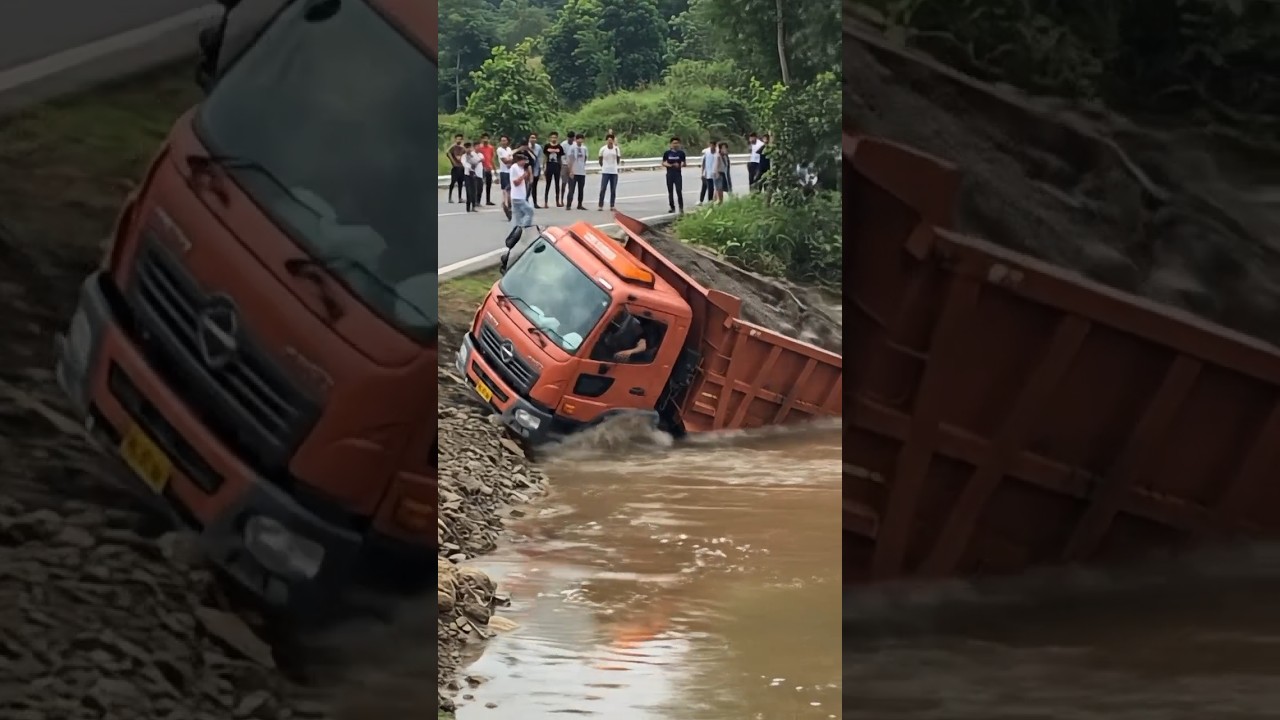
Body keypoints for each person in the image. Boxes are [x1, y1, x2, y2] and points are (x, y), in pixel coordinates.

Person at [661, 136, 687, 214]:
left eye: (677, 143)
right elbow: (663, 162)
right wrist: (671, 165)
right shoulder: (667, 153)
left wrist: (679, 165)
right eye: (674, 143)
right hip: (669, 174)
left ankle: (681, 207)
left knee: (679, 190)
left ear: (679, 144)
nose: (675, 145)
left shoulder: (681, 153)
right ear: (671, 144)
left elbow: (684, 163)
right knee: (670, 191)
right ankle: (672, 207)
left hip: (678, 174)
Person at [509, 150, 534, 230]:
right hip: (517, 196)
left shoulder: (521, 168)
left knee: (518, 216)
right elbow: (516, 183)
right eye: (523, 161)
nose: (525, 163)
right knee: (529, 211)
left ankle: (517, 230)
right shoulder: (514, 168)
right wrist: (523, 176)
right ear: (519, 161)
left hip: (521, 196)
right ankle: (524, 227)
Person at [597, 134, 622, 211]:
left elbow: (618, 159)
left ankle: (612, 205)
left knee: (613, 189)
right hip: (606, 171)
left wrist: (614, 166)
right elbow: (600, 160)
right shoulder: (603, 149)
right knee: (603, 188)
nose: (610, 142)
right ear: (607, 141)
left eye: (611, 140)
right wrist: (604, 166)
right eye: (609, 140)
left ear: (613, 141)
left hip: (614, 171)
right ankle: (600, 205)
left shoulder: (616, 149)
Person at [565, 134, 587, 210]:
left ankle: (580, 204)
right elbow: (570, 159)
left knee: (581, 189)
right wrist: (570, 170)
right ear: (576, 139)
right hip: (574, 171)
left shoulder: (584, 148)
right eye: (578, 139)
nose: (580, 140)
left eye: (581, 139)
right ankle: (568, 205)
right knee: (571, 189)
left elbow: (585, 158)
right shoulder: (572, 148)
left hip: (581, 171)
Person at [543, 131, 564, 207]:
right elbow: (545, 157)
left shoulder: (559, 147)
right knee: (548, 184)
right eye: (552, 137)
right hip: (549, 165)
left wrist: (561, 167)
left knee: (557, 184)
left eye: (555, 137)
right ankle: (545, 202)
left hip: (556, 166)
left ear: (557, 138)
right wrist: (544, 166)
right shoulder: (547, 146)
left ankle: (557, 201)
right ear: (550, 138)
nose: (553, 138)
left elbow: (560, 158)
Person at [496, 135, 514, 218]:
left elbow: (512, 160)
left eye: (505, 140)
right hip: (504, 171)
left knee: (510, 189)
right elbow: (505, 161)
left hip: (510, 171)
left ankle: (509, 205)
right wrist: (510, 159)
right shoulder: (499, 150)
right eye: (502, 140)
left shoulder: (509, 149)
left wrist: (510, 160)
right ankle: (505, 204)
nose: (503, 142)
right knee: (505, 189)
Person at [463, 141, 484, 212]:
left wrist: (474, 160)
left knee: (474, 190)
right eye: (466, 148)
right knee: (468, 191)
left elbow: (477, 161)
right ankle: (468, 206)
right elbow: (465, 164)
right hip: (467, 175)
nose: (468, 149)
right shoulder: (464, 156)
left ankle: (473, 206)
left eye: (469, 148)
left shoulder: (473, 155)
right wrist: (471, 165)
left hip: (474, 175)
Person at [445, 133, 466, 204]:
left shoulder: (463, 148)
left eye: (460, 139)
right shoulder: (453, 147)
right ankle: (449, 198)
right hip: (455, 167)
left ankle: (460, 198)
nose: (458, 140)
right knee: (453, 182)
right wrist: (453, 162)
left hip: (461, 167)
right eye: (457, 139)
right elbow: (447, 152)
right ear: (455, 139)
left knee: (460, 183)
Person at [477, 134, 496, 205]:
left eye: (487, 138)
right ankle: (477, 200)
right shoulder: (479, 148)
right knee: (480, 185)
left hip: (488, 168)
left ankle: (488, 200)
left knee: (489, 185)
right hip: (481, 168)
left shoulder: (491, 148)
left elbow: (492, 159)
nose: (485, 140)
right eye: (484, 138)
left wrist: (494, 169)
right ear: (481, 139)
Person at [526, 133, 544, 209]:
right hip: (527, 168)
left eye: (534, 138)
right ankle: (525, 201)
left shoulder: (538, 147)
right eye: (531, 137)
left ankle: (535, 202)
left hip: (535, 168)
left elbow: (539, 159)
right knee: (527, 186)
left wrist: (540, 170)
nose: (533, 139)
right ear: (529, 139)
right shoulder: (526, 147)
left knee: (534, 186)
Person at [699, 138, 717, 204]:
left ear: (715, 146)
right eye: (710, 145)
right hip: (706, 173)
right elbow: (703, 162)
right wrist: (702, 172)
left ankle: (710, 201)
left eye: (713, 145)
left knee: (711, 188)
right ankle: (701, 200)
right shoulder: (706, 152)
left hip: (713, 174)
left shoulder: (717, 152)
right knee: (704, 187)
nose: (711, 147)